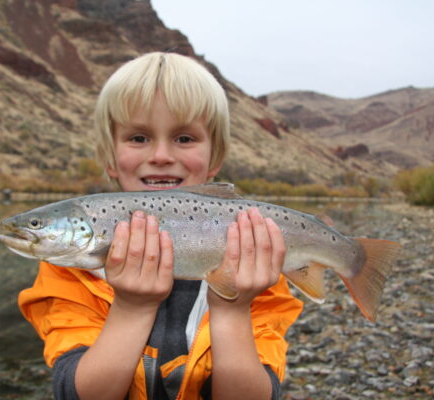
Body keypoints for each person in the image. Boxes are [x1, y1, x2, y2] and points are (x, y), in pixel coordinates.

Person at [18, 52, 303, 400]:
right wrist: (131, 308)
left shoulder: (257, 270)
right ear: (110, 158)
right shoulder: (69, 271)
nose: (161, 156)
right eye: (139, 138)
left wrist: (232, 308)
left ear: (214, 158)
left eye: (184, 139)